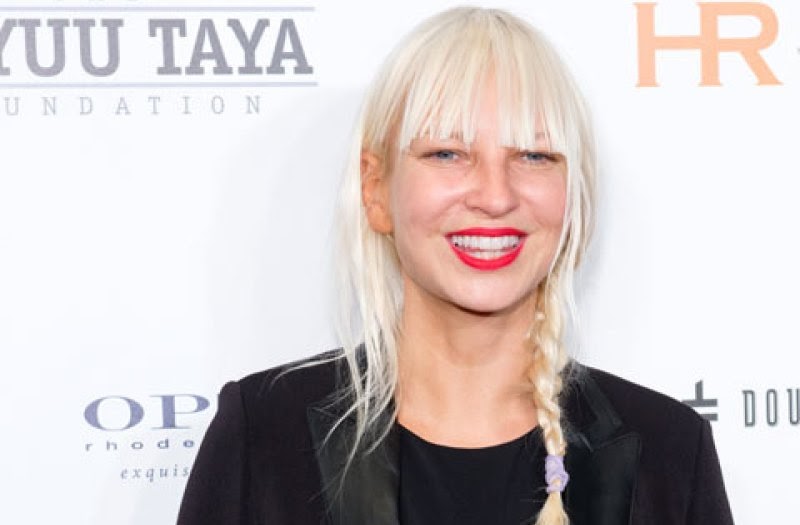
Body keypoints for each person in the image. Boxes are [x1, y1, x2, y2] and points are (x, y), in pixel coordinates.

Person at [177, 7, 734, 525]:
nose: (495, 196)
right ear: (376, 189)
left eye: (534, 155)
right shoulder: (263, 436)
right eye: (447, 153)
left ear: (573, 197)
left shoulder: (669, 451)